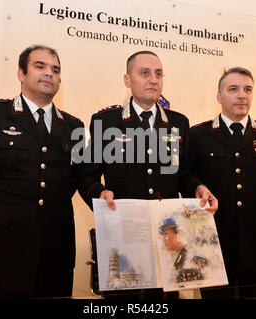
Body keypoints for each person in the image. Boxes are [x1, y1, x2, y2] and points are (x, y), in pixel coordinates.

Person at [78, 51, 218, 298]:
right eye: (144, 73)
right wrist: (99, 193)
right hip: (123, 234)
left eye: (158, 74)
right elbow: (86, 175)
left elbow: (183, 172)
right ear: (127, 79)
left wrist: (197, 188)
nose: (153, 79)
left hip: (167, 238)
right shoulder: (106, 121)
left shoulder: (177, 124)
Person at [0, 44, 84, 298]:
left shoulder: (73, 126)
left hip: (55, 249)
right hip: (0, 247)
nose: (49, 73)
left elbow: (72, 181)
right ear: (21, 74)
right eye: (40, 66)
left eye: (55, 70)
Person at [188, 67, 256, 298]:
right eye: (234, 89)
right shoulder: (198, 135)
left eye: (248, 89)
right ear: (219, 97)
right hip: (215, 243)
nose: (242, 95)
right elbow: (188, 177)